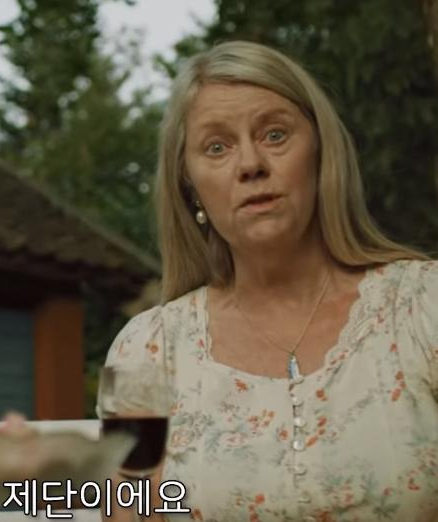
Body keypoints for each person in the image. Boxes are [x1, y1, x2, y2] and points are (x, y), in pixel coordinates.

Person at [100, 41, 437, 521]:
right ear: (189, 185)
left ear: (321, 154)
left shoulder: (424, 307)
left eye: (275, 135)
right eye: (217, 147)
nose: (251, 164)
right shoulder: (145, 351)